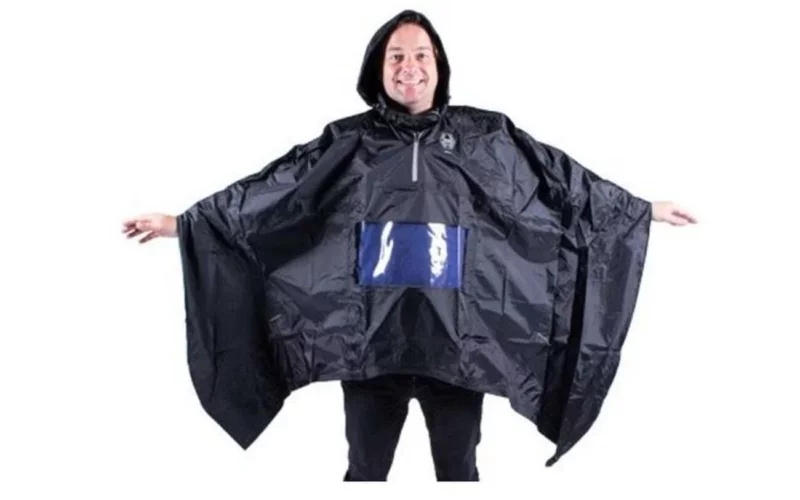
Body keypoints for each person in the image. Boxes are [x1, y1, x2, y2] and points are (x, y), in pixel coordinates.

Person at [122, 10, 697, 481]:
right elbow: (276, 193)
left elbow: (558, 182)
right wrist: (184, 224)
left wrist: (641, 210)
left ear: (439, 65)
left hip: (457, 352)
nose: (409, 67)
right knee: (365, 472)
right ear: (379, 67)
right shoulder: (348, 142)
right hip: (371, 353)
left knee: (458, 473)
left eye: (421, 55)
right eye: (396, 56)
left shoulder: (484, 136)